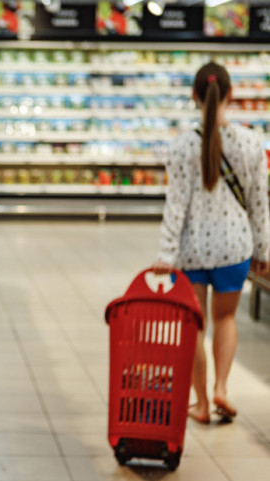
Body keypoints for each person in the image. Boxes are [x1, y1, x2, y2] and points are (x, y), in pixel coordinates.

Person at [152, 62, 270, 424]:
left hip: (192, 252)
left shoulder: (183, 146)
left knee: (195, 326)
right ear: (230, 95)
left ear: (194, 96)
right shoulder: (252, 143)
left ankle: (201, 403)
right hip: (235, 248)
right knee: (226, 318)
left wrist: (165, 255)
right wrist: (264, 250)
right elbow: (259, 202)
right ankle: (221, 387)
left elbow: (176, 206)